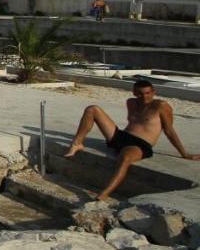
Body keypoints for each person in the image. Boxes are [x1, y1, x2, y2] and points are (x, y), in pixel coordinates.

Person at [64, 80, 200, 200]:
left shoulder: (161, 106)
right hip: (121, 136)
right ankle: (77, 144)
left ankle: (104, 193)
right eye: (140, 93)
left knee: (125, 159)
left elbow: (169, 130)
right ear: (134, 92)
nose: (144, 97)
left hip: (140, 144)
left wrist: (184, 154)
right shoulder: (131, 102)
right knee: (92, 109)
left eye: (147, 93)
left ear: (153, 92)